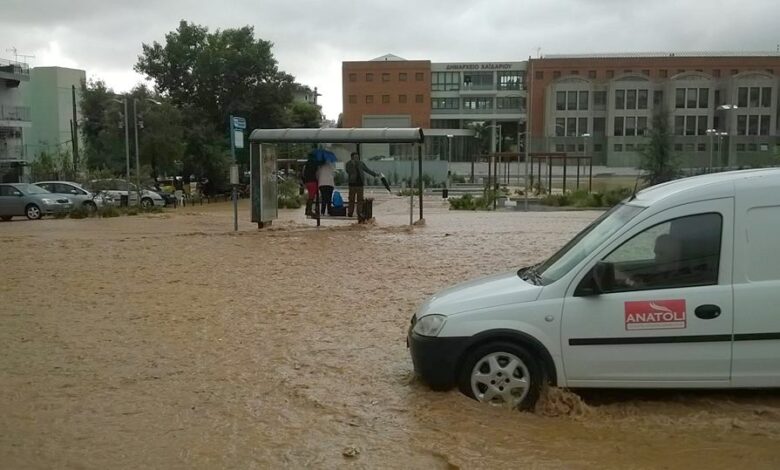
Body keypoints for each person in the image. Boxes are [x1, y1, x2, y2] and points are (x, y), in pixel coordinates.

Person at [345, 152, 379, 218]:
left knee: (360, 199)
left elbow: (367, 169)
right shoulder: (349, 164)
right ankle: (350, 212)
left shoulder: (361, 163)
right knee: (351, 199)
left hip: (360, 184)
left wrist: (374, 174)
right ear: (352, 157)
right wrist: (353, 166)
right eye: (355, 157)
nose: (357, 159)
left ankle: (359, 212)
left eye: (357, 157)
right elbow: (348, 171)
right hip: (352, 184)